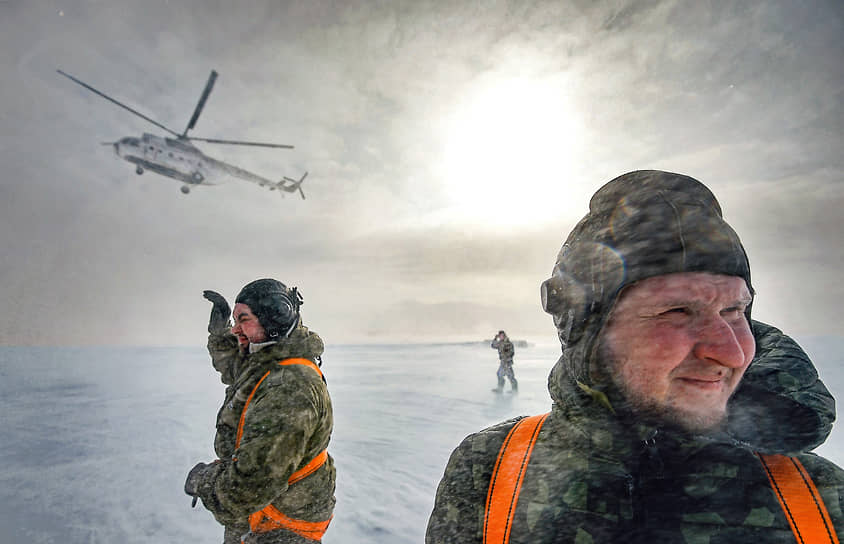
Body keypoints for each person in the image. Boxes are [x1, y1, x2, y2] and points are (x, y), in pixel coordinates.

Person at [426, 170, 844, 543]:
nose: (731, 351)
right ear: (588, 330)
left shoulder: (822, 500)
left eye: (734, 311)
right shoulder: (491, 471)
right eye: (677, 311)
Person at [185, 278, 336, 544]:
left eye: (243, 319)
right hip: (262, 518)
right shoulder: (268, 361)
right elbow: (236, 368)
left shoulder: (288, 387)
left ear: (275, 318)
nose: (235, 329)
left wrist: (204, 482)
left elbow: (249, 489)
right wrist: (219, 333)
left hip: (280, 530)